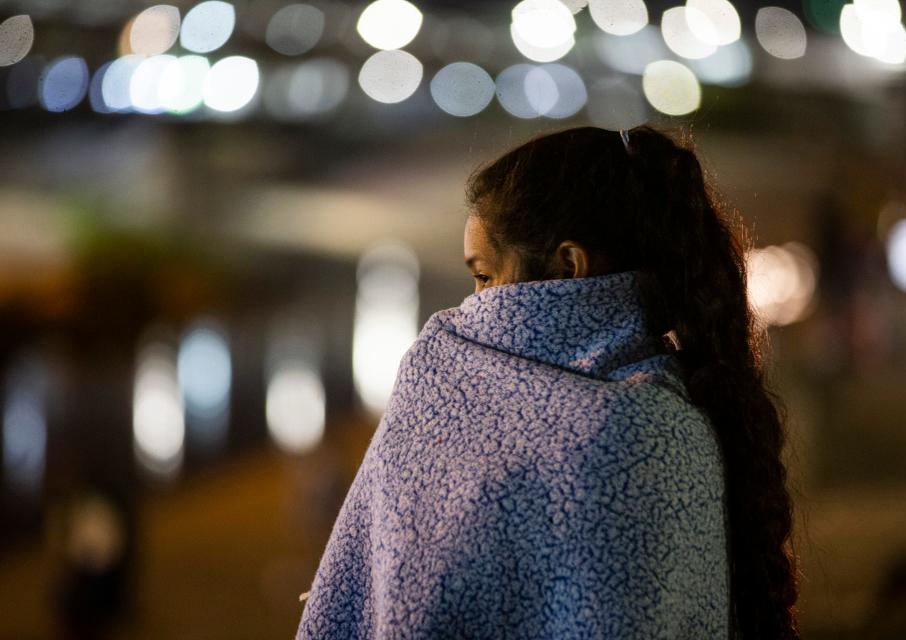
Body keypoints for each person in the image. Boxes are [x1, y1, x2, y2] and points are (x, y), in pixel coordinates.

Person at [296, 125, 799, 639]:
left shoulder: (443, 376)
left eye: (485, 276)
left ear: (568, 267)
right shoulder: (672, 425)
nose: (470, 304)